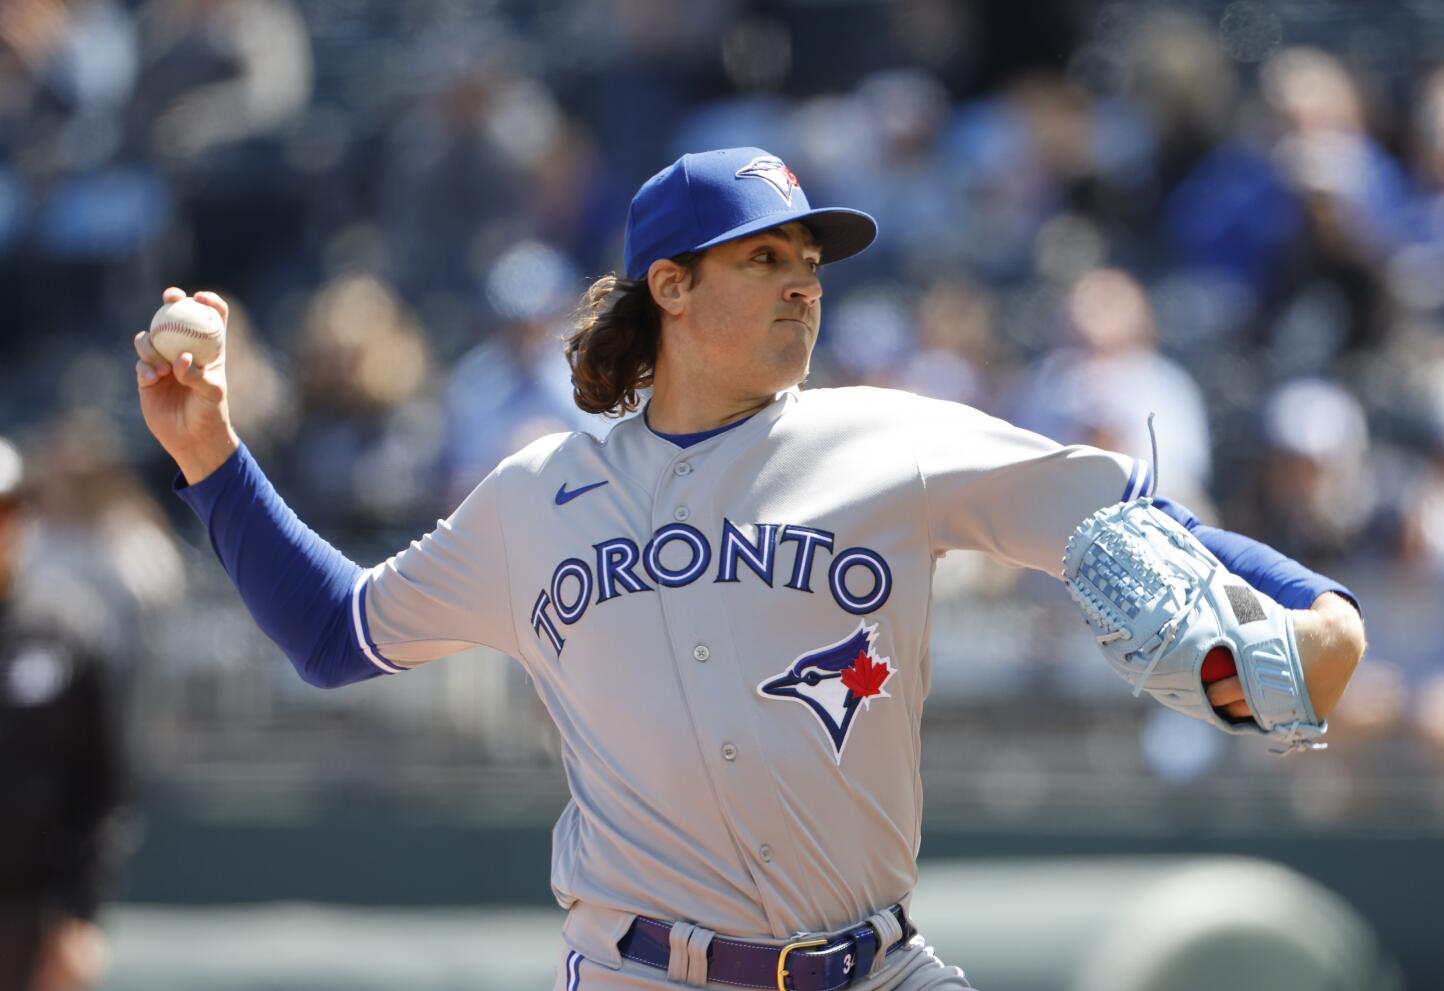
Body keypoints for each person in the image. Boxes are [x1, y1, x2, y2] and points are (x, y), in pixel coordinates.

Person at [133, 147, 1366, 990]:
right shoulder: (534, 497)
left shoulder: (900, 438)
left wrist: (1319, 606)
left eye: (810, 263)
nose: (802, 284)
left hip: (872, 963)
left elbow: (1129, 521)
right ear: (670, 286)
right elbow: (331, 631)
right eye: (764, 259)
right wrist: (210, 454)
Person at [0, 437, 126, 991]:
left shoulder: (68, 629)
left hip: (28, 913)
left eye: (6, 508)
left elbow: (102, 789)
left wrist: (80, 920)